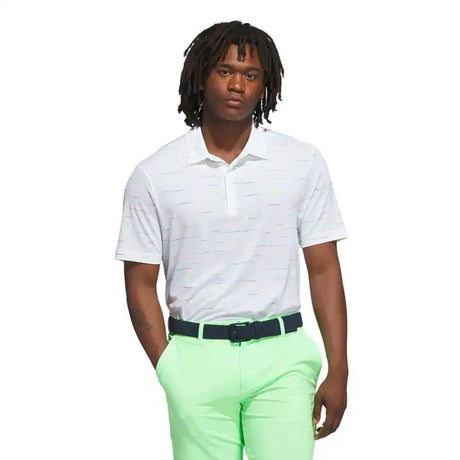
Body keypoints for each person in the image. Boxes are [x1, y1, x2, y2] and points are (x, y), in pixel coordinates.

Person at [114, 20, 348, 460]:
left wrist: (340, 367)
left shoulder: (301, 163)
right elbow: (140, 280)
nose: (237, 84)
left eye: (250, 74)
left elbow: (324, 269)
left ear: (265, 84)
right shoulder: (155, 174)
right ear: (201, 76)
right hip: (195, 358)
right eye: (224, 71)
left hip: (282, 358)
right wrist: (168, 367)